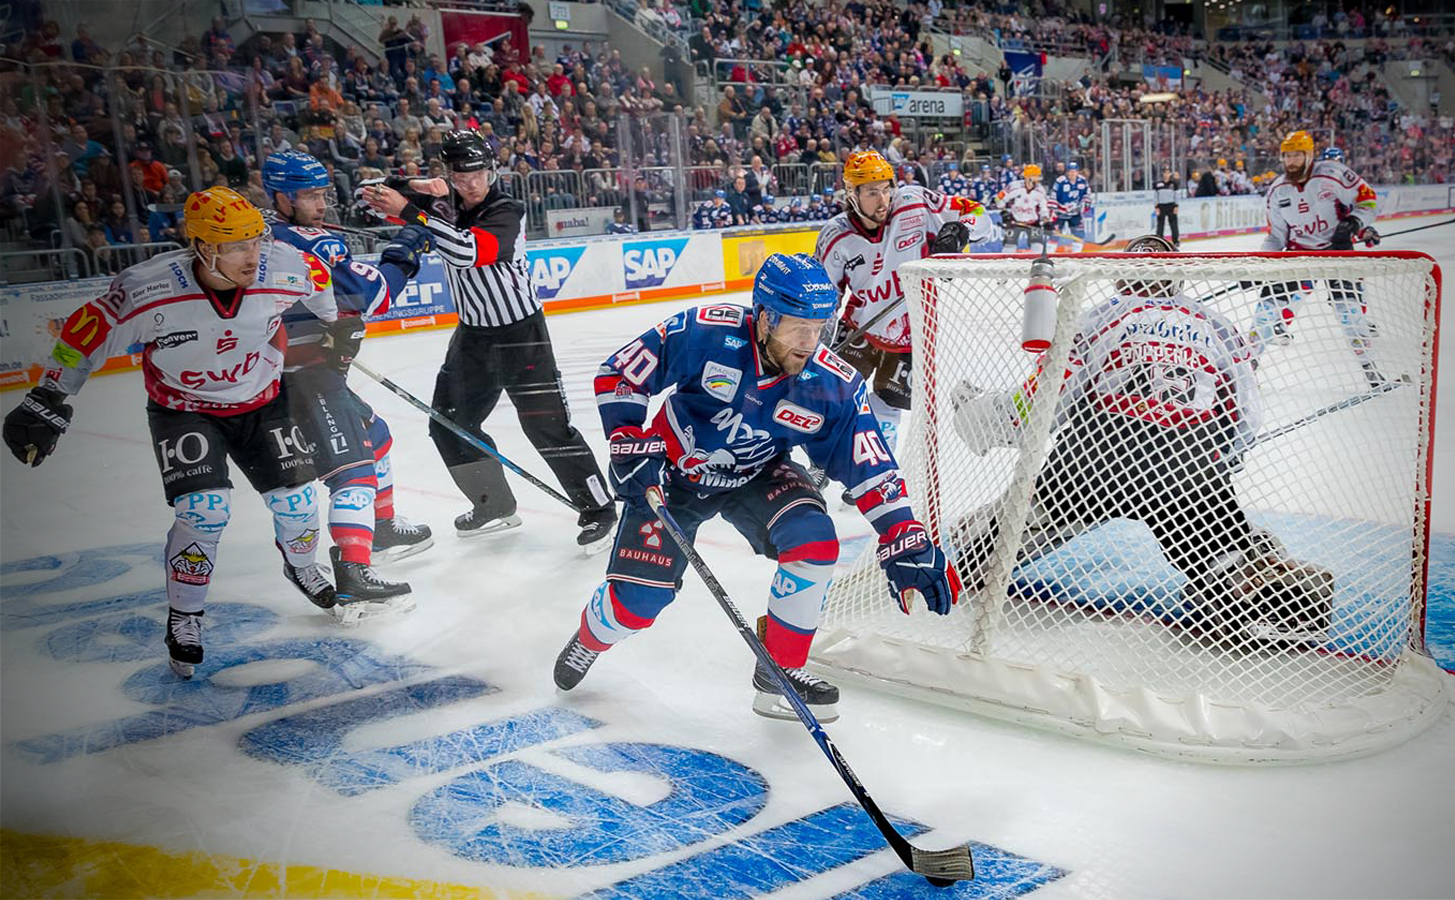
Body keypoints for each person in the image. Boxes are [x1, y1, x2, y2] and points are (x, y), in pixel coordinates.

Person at [550, 254, 962, 722]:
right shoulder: (705, 331)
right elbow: (621, 372)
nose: (810, 343)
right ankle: (592, 637)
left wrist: (901, 530)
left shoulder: (832, 385)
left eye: (819, 327)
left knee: (816, 540)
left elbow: (868, 460)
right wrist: (626, 436)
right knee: (636, 606)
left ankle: (780, 672)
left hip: (757, 475)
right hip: (669, 477)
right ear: (764, 316)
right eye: (797, 328)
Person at [1, 187, 361, 678]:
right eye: (235, 246)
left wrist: (336, 323)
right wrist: (50, 394)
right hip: (184, 410)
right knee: (204, 512)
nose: (252, 256)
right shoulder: (150, 288)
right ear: (201, 247)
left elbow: (320, 287)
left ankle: (300, 564)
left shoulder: (285, 264)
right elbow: (84, 332)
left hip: (262, 401)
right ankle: (185, 615)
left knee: (298, 502)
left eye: (255, 240)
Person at [948, 235, 1335, 648]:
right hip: (1187, 469)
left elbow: (1042, 405)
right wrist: (1221, 464)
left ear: (1119, 278)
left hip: (1093, 465)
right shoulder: (1218, 325)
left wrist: (982, 415)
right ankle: (1246, 568)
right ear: (1176, 279)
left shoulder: (1095, 319)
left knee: (978, 560)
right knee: (1222, 554)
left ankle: (980, 539)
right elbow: (1246, 415)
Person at [360, 130, 617, 550]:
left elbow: (466, 251)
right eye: (461, 177)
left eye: (479, 173)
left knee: (547, 428)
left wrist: (412, 211)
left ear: (491, 171)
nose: (472, 184)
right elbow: (369, 194)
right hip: (473, 338)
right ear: (449, 175)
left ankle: (600, 509)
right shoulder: (442, 202)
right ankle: (493, 503)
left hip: (521, 336)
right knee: (448, 423)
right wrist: (414, 186)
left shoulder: (506, 209)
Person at [264, 153, 437, 599]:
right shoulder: (306, 243)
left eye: (323, 194)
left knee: (375, 436)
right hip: (303, 376)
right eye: (309, 195)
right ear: (282, 197)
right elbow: (369, 293)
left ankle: (380, 528)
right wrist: (410, 244)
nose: (320, 204)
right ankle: (353, 574)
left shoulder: (267, 233)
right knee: (353, 469)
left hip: (298, 368)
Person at [813, 149, 999, 455]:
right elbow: (823, 299)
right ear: (852, 194)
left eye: (886, 189)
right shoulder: (836, 235)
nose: (883, 200)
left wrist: (960, 230)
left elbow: (979, 214)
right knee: (832, 398)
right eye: (872, 192)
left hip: (912, 335)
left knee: (891, 402)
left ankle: (873, 463)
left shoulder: (914, 203)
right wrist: (815, 344)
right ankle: (825, 459)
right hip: (859, 328)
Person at [1252, 130, 1397, 388]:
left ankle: (1372, 372)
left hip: (1337, 251)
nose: (1292, 161)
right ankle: (1247, 372)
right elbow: (1275, 237)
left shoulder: (1331, 172)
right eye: (1287, 156)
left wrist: (1355, 223)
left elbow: (1368, 199)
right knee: (1265, 312)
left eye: (1297, 155)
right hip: (1298, 255)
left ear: (1309, 155)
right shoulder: (1277, 190)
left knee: (1349, 313)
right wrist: (1261, 264)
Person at [998, 163, 1052, 251]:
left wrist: (1046, 220)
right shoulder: (1014, 186)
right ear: (1028, 177)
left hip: (1033, 222)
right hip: (1014, 221)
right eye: (1035, 176)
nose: (1038, 178)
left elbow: (1044, 208)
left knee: (1038, 248)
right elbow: (999, 199)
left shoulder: (1040, 190)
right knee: (1008, 248)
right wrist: (1004, 213)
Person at [1051, 161, 1093, 252]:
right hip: (1060, 213)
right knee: (1054, 235)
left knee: (1079, 234)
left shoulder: (1082, 180)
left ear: (1078, 172)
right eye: (1070, 171)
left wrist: (1086, 203)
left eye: (1074, 171)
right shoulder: (1060, 181)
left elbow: (1087, 194)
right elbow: (1053, 195)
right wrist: (1053, 210)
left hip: (1075, 213)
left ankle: (1076, 255)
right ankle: (1049, 255)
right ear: (1067, 172)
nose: (1072, 173)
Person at [1153, 165, 1182, 247]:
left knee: (1173, 224)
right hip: (1161, 206)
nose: (1166, 174)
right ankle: (1159, 240)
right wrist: (1156, 207)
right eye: (1165, 173)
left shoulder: (1173, 184)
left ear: (1170, 174)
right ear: (1163, 174)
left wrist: (1176, 206)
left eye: (1168, 173)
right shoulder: (1158, 184)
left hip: (1171, 205)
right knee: (1160, 225)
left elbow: (1176, 195)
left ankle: (1175, 240)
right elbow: (1155, 196)